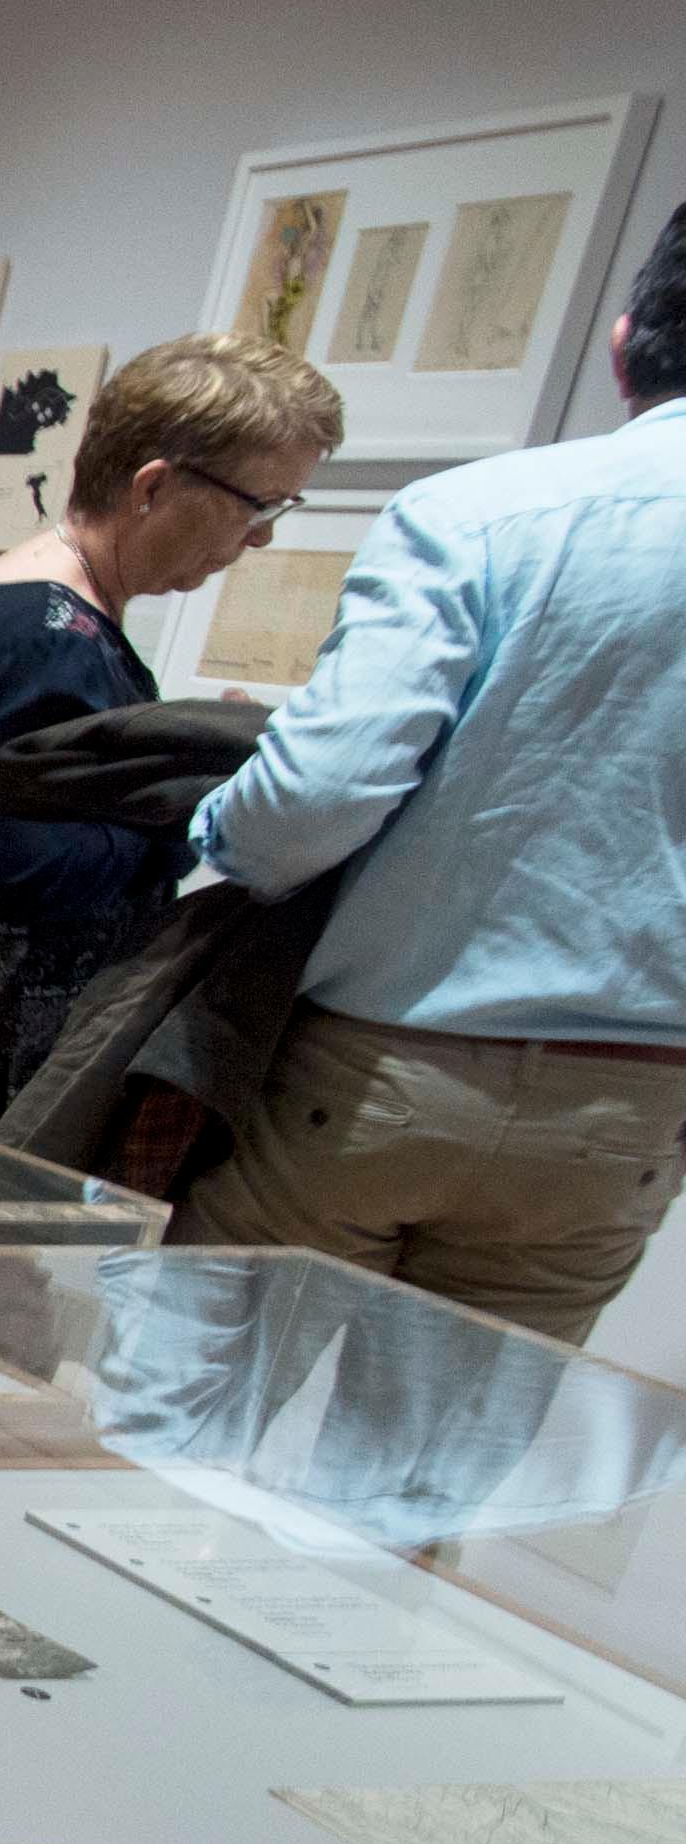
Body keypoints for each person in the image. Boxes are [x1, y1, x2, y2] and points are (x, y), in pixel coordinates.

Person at [171, 206, 686, 1342]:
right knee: (432, 1449)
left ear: (620, 345)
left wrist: (215, 835)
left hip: (378, 1067)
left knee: (183, 1412)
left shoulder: (481, 513)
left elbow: (315, 797)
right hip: (627, 1105)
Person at [0, 333, 338, 1131]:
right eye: (258, 505)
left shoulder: (18, 603)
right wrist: (201, 796)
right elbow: (43, 869)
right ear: (154, 485)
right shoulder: (53, 641)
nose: (260, 536)